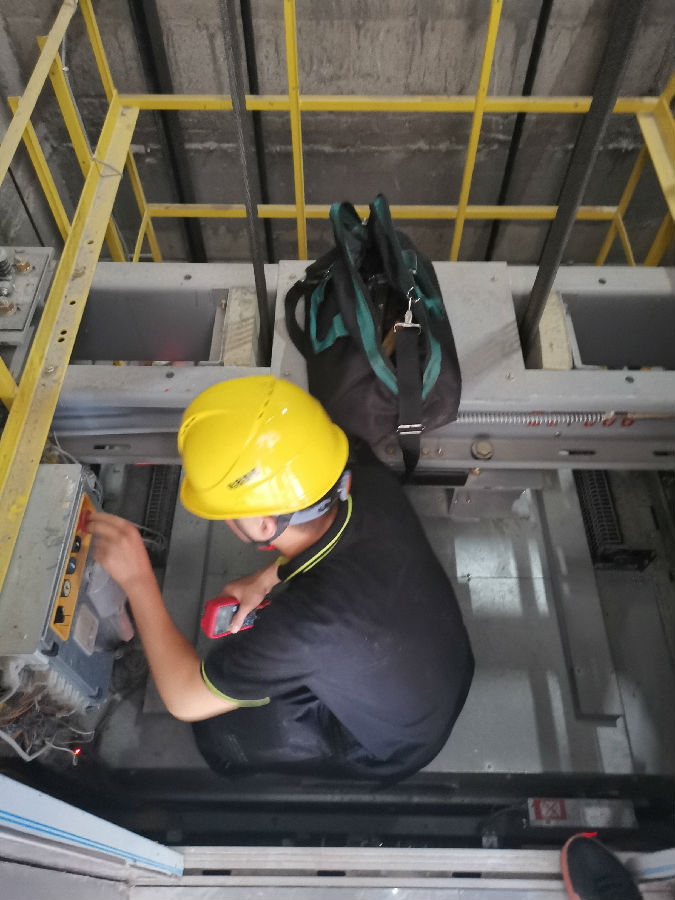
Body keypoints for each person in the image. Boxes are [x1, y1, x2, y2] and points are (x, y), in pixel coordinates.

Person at [87, 375, 474, 779]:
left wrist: (138, 580)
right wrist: (265, 579)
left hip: (397, 744)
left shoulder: (302, 627)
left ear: (264, 525)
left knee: (223, 736)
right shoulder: (366, 480)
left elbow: (184, 698)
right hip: (444, 663)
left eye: (225, 513)